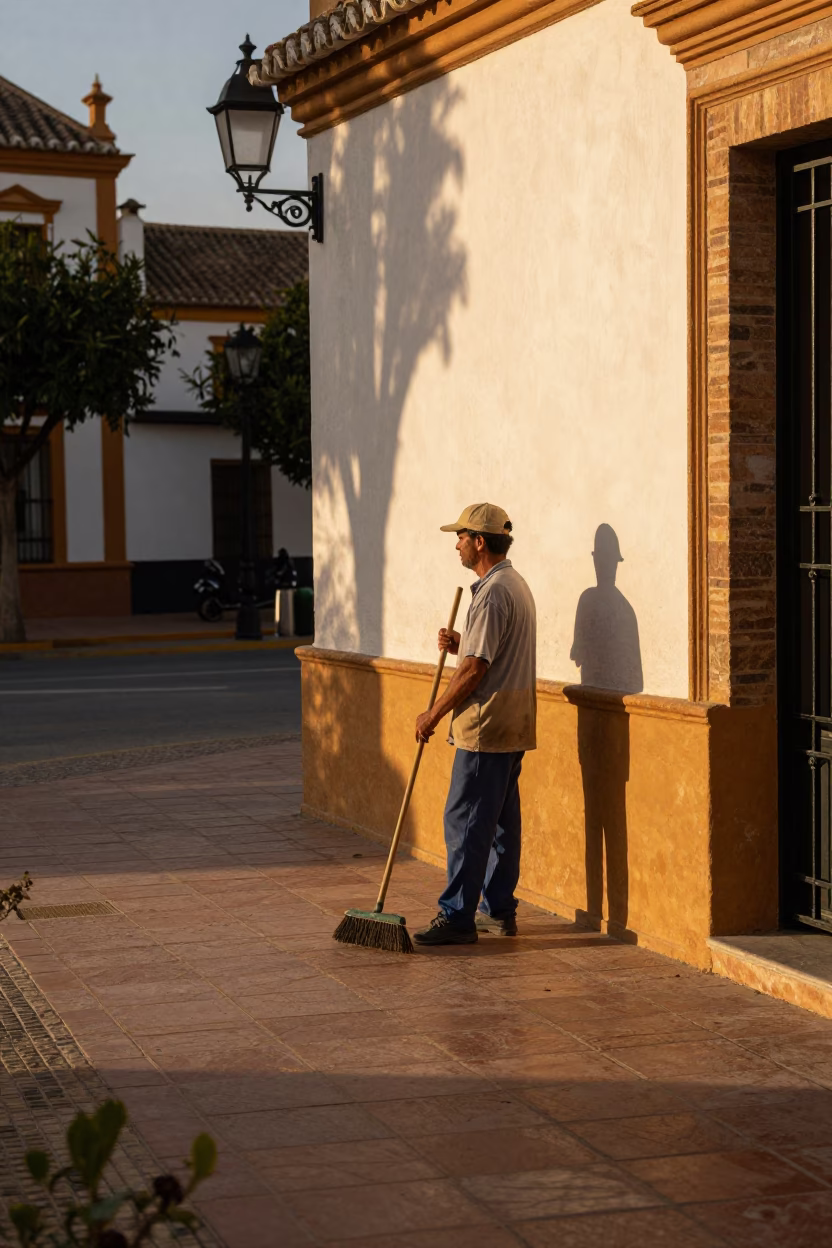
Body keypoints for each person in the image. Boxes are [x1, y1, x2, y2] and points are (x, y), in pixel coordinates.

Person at [412, 503, 537, 945]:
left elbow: (475, 669)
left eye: (462, 536)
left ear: (480, 541)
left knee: (465, 820)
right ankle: (498, 910)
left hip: (486, 727)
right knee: (500, 823)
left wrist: (433, 712)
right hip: (512, 723)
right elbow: (488, 651)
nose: (458, 544)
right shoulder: (512, 584)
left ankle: (458, 915)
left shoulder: (492, 593)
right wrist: (463, 642)